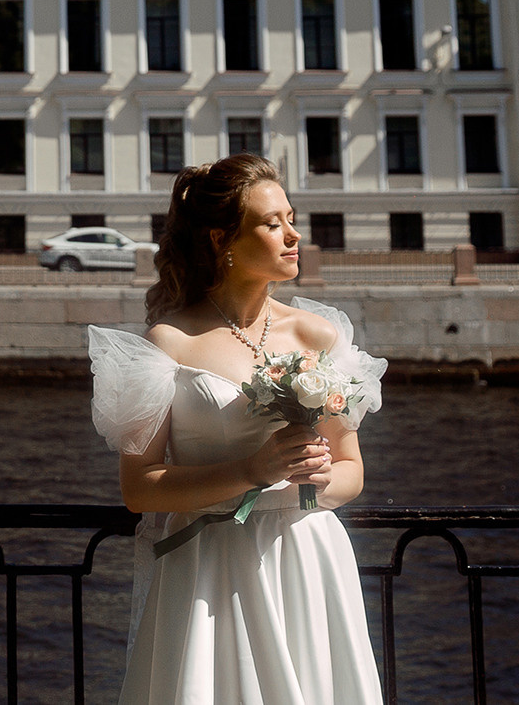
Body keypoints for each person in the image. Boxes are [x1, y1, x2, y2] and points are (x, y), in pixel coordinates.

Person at [89, 155, 388, 705]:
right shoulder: (169, 343)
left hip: (306, 559)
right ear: (221, 238)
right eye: (272, 224)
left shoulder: (318, 334)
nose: (294, 234)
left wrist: (318, 479)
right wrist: (250, 470)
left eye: (291, 218)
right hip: (209, 568)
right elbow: (140, 489)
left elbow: (352, 474)